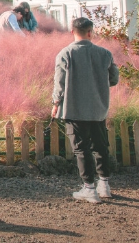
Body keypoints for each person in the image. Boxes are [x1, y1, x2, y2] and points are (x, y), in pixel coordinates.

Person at [52, 17, 119, 203]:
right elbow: (114, 79)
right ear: (91, 32)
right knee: (100, 146)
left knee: (81, 149)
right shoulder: (105, 54)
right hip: (98, 108)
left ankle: (89, 188)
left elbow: (59, 83)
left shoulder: (65, 54)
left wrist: (55, 103)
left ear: (72, 31)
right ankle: (104, 184)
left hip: (74, 109)